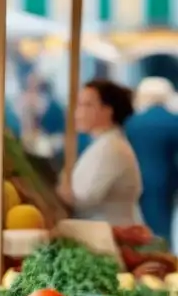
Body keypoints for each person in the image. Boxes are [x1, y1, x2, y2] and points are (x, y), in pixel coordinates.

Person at [57, 79, 143, 226]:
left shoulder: (111, 148)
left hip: (113, 237)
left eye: (87, 105)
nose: (78, 112)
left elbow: (83, 199)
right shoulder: (104, 144)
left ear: (108, 110)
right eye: (78, 104)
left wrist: (61, 187)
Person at [126, 77, 178, 244]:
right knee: (162, 228)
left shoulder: (132, 122)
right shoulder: (174, 121)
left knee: (138, 227)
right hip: (165, 181)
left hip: (134, 179)